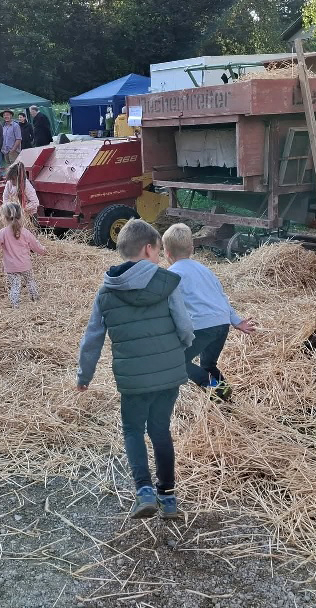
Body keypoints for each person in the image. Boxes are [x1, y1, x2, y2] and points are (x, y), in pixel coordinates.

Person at [76, 219, 194, 520]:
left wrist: (84, 376)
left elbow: (92, 338)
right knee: (159, 430)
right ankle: (167, 497)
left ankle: (143, 491)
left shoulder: (107, 291)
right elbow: (184, 325)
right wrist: (181, 348)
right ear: (148, 249)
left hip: (133, 378)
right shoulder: (166, 283)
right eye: (156, 252)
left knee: (132, 430)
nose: (158, 258)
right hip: (168, 374)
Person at [162, 223, 256, 401]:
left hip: (202, 326)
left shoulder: (171, 275)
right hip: (221, 324)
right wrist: (236, 321)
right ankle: (224, 394)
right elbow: (221, 296)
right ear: (191, 248)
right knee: (208, 363)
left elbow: (169, 305)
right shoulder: (206, 271)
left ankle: (209, 384)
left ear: (166, 253)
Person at [0, 202, 47, 308]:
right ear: (21, 216)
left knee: (15, 286)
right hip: (25, 264)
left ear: (4, 217)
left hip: (11, 266)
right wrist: (43, 251)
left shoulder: (2, 233)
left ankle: (15, 305)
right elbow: (35, 245)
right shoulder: (25, 232)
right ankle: (35, 299)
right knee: (30, 281)